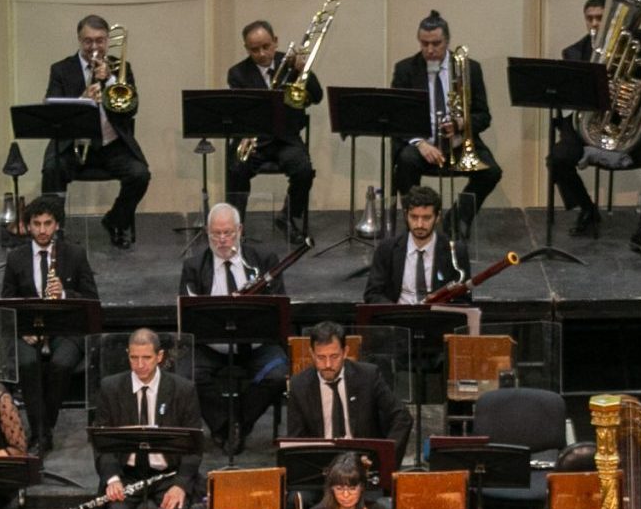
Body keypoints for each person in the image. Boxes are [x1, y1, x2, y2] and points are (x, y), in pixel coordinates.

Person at [549, 0, 641, 259]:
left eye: (601, 18)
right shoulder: (574, 52)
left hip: (632, 126)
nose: (595, 23)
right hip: (590, 127)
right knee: (558, 158)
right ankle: (587, 210)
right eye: (590, 18)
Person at [91, 328, 205, 509]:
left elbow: (194, 447)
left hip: (169, 475)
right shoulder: (111, 388)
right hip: (127, 474)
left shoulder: (183, 390)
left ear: (160, 356)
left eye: (146, 358)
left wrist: (180, 485)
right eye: (134, 358)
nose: (140, 364)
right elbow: (102, 443)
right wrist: (112, 478)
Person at [0, 196, 100, 453]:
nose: (42, 230)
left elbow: (92, 298)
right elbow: (6, 302)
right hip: (29, 331)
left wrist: (65, 294)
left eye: (48, 223)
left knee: (61, 364)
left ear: (57, 225)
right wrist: (24, 330)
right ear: (28, 226)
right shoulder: (16, 258)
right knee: (28, 363)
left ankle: (43, 430)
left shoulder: (75, 255)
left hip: (67, 330)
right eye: (36, 224)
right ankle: (42, 432)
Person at [180, 205, 290, 443]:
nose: (221, 240)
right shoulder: (194, 267)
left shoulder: (263, 260)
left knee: (278, 374)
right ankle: (224, 426)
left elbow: (278, 307)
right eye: (215, 233)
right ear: (207, 232)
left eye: (227, 232)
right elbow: (187, 318)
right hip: (212, 347)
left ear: (240, 230)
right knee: (187, 374)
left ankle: (239, 420)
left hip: (257, 345)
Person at [38, 15, 149, 250]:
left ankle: (116, 221)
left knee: (140, 175)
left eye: (100, 41)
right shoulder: (61, 69)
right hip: (74, 143)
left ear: (108, 40)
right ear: (79, 40)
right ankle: (56, 233)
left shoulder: (121, 68)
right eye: (88, 41)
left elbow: (131, 108)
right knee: (51, 169)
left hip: (111, 145)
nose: (94, 47)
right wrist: (82, 100)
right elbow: (52, 110)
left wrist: (109, 80)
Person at [388, 11, 500, 235]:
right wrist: (420, 143)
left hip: (458, 142)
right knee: (406, 160)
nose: (430, 50)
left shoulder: (469, 68)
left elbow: (483, 115)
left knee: (491, 172)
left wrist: (460, 124)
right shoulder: (405, 70)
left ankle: (456, 220)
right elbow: (396, 116)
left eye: (436, 44)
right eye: (424, 43)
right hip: (422, 145)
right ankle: (417, 223)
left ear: (447, 41)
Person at [224, 19, 320, 243]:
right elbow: (239, 112)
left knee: (303, 170)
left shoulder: (291, 64)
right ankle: (237, 225)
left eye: (266, 46)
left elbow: (316, 96)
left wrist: (304, 70)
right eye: (254, 49)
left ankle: (289, 216)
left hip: (286, 139)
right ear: (247, 48)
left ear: (275, 42)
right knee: (236, 167)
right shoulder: (238, 73)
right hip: (255, 139)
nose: (261, 53)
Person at [284, 322, 414, 444]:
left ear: (345, 352)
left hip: (363, 459)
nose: (328, 364)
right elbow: (295, 439)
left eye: (334, 357)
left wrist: (386, 456)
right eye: (321, 357)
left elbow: (402, 417)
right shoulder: (299, 385)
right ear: (312, 354)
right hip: (320, 460)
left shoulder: (368, 376)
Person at [363, 185, 463, 306]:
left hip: (437, 318)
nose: (419, 224)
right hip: (397, 319)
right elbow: (372, 294)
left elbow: (463, 299)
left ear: (438, 217)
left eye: (426, 218)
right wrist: (396, 311)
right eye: (414, 217)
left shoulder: (456, 251)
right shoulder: (387, 248)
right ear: (406, 215)